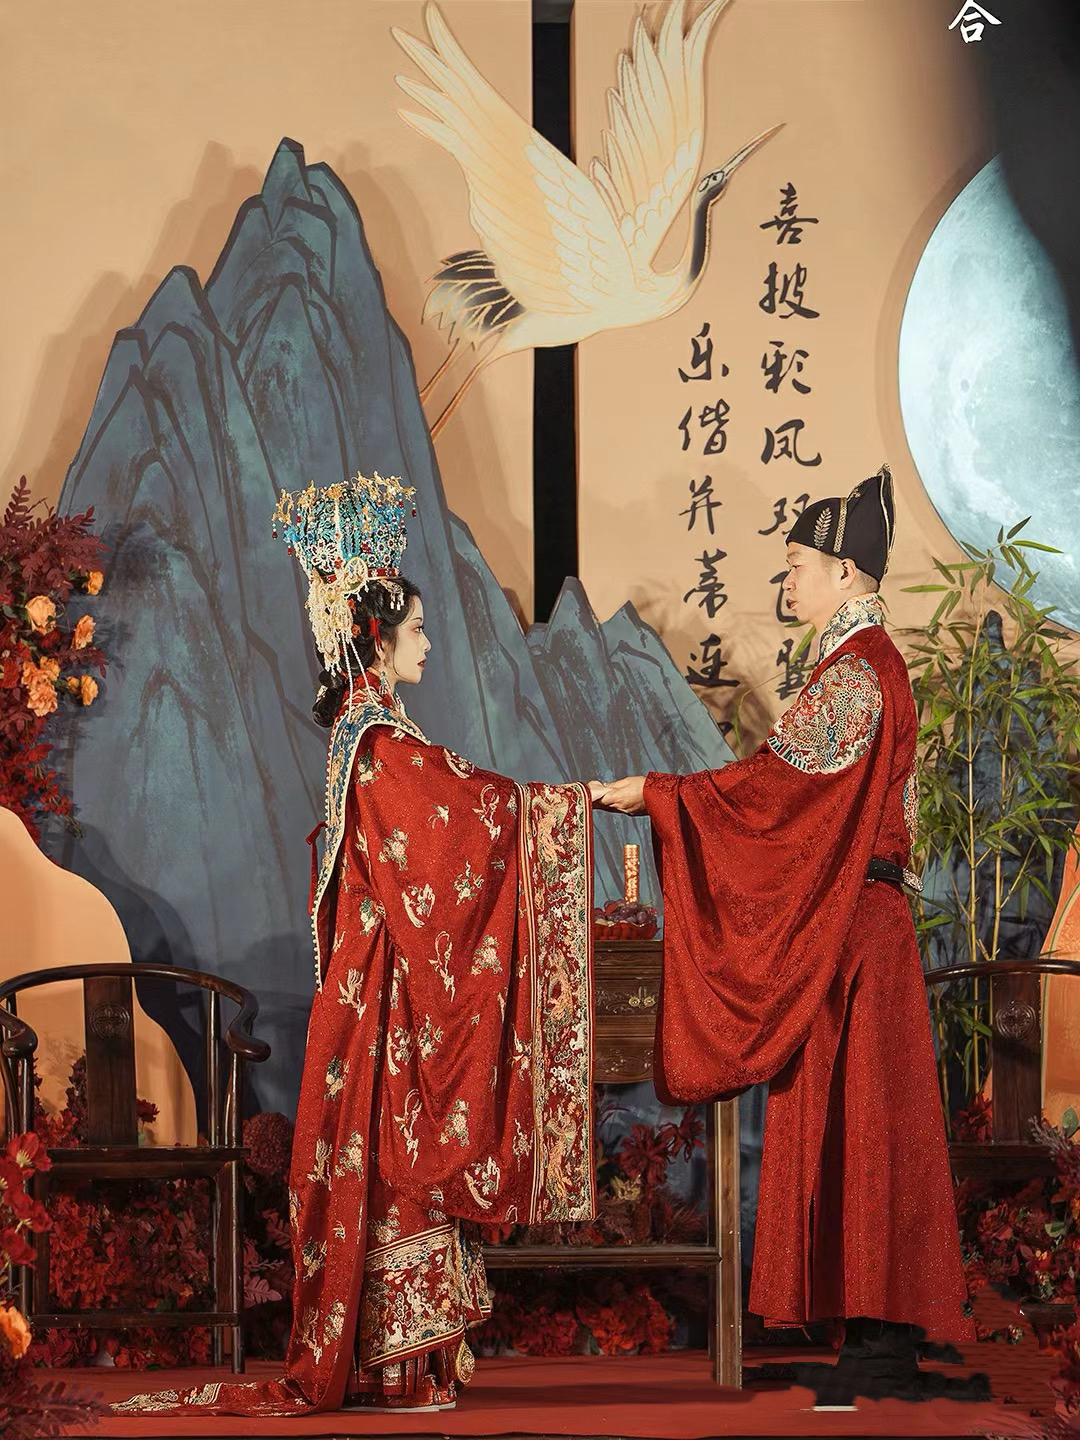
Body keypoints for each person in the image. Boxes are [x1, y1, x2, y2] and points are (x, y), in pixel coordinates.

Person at [115, 472, 595, 1418]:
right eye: (416, 628)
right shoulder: (379, 744)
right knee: (396, 1153)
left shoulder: (368, 735)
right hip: (386, 994)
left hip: (377, 981)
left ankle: (398, 1361)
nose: (428, 642)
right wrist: (561, 808)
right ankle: (398, 1367)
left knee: (383, 1157)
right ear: (375, 637)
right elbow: (460, 822)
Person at [592, 465, 986, 1404]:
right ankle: (875, 1334)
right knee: (862, 1125)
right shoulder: (864, 666)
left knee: (864, 1126)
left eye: (800, 565)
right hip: (859, 927)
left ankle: (881, 1342)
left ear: (847, 573)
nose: (788, 580)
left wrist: (662, 796)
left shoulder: (857, 675)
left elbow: (774, 794)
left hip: (856, 937)